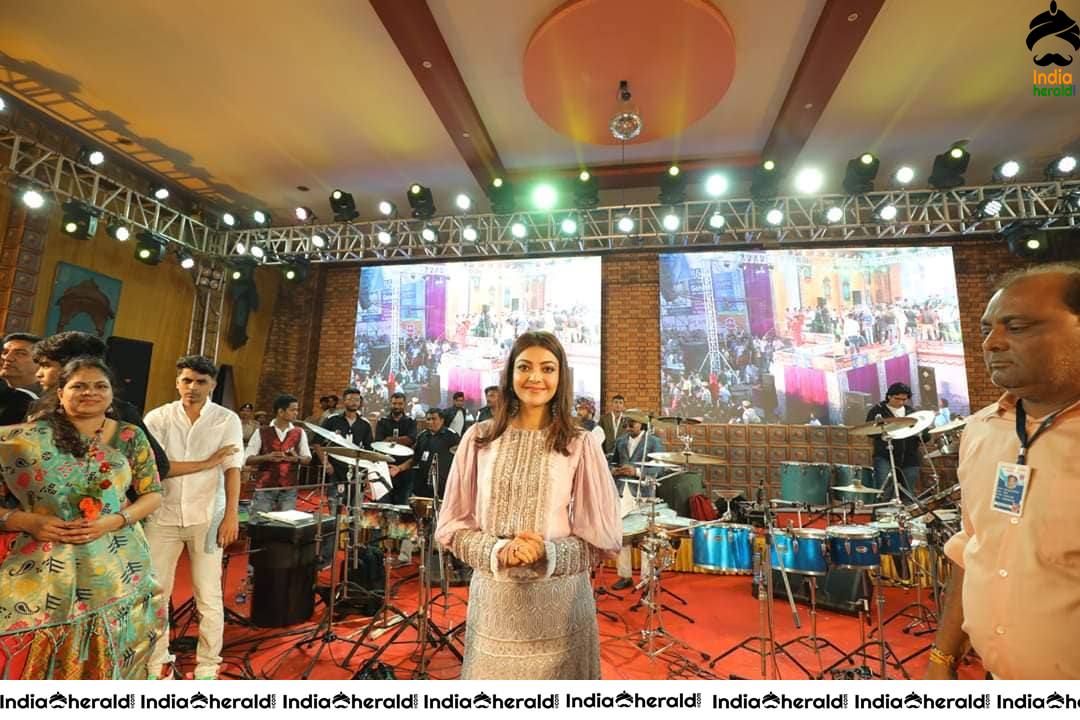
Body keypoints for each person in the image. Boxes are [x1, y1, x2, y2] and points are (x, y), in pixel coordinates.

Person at [435, 331, 621, 679]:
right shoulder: (478, 438)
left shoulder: (580, 443)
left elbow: (602, 541)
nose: (535, 378)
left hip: (561, 608)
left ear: (561, 377)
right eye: (525, 367)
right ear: (509, 375)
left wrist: (546, 553)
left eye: (548, 369)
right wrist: (496, 550)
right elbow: (452, 527)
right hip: (494, 608)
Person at [927, 265, 1080, 680]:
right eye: (987, 329)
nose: (993, 343)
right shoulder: (981, 430)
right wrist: (942, 657)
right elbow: (974, 548)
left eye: (1017, 326)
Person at [0, 357, 163, 679]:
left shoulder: (130, 437)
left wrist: (112, 521)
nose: (90, 392)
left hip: (116, 565)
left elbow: (153, 493)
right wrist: (26, 521)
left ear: (112, 393)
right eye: (79, 386)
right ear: (60, 393)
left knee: (110, 652)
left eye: (100, 386)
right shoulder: (18, 441)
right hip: (43, 567)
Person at [143, 355, 243, 681]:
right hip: (162, 515)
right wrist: (207, 461)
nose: (193, 387)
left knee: (209, 595)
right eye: (187, 380)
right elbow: (159, 467)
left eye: (201, 382)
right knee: (156, 592)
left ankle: (208, 666)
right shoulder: (157, 417)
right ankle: (158, 660)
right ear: (177, 382)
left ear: (213, 384)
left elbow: (232, 470)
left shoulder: (227, 420)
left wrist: (231, 515)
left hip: (207, 517)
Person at [30, 331, 170, 479]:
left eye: (46, 365)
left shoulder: (121, 412)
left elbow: (160, 466)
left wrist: (114, 495)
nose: (38, 373)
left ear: (73, 366)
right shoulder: (37, 407)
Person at [312, 387, 373, 566]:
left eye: (357, 399)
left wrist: (368, 476)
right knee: (334, 518)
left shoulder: (365, 424)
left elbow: (369, 451)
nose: (354, 402)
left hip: (357, 476)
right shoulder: (332, 420)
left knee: (356, 516)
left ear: (360, 402)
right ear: (344, 401)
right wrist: (326, 463)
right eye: (350, 399)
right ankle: (328, 557)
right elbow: (317, 443)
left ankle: (354, 559)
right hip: (336, 475)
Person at [611, 418, 665, 591]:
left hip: (643, 493)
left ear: (642, 424)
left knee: (645, 536)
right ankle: (624, 576)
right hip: (622, 491)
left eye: (632, 423)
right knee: (622, 535)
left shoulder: (654, 441)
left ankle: (646, 578)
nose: (628, 426)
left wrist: (637, 471)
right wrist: (614, 470)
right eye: (626, 423)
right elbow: (613, 462)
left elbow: (661, 467)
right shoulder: (620, 441)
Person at [244, 394, 311, 514]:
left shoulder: (299, 432)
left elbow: (307, 459)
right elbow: (247, 459)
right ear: (281, 411)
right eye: (293, 410)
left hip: (289, 488)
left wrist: (295, 459)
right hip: (265, 487)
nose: (296, 413)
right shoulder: (261, 431)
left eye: (297, 410)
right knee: (259, 524)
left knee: (285, 527)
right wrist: (267, 457)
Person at [866, 383, 922, 499]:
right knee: (884, 491)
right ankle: (882, 516)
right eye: (897, 399)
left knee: (908, 494)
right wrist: (882, 434)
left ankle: (906, 516)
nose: (901, 402)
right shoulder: (877, 411)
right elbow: (869, 431)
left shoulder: (912, 412)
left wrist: (921, 432)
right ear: (889, 396)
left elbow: (926, 437)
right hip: (885, 456)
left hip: (909, 458)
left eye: (904, 399)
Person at [376, 392, 417, 505]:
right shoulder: (382, 421)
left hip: (404, 468)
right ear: (390, 403)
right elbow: (379, 442)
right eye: (394, 403)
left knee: (403, 505)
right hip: (385, 467)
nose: (397, 406)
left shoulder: (411, 421)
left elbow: (411, 439)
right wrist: (402, 440)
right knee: (383, 504)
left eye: (400, 404)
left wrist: (389, 439)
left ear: (404, 405)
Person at [413, 408, 458, 498]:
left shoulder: (451, 436)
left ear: (442, 420)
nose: (430, 422)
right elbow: (415, 458)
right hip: (423, 484)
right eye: (428, 419)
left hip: (444, 484)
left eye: (434, 419)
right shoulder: (422, 436)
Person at [0, 332, 41, 425]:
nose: (7, 358)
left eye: (20, 354)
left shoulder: (43, 402)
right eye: (5, 352)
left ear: (41, 362)